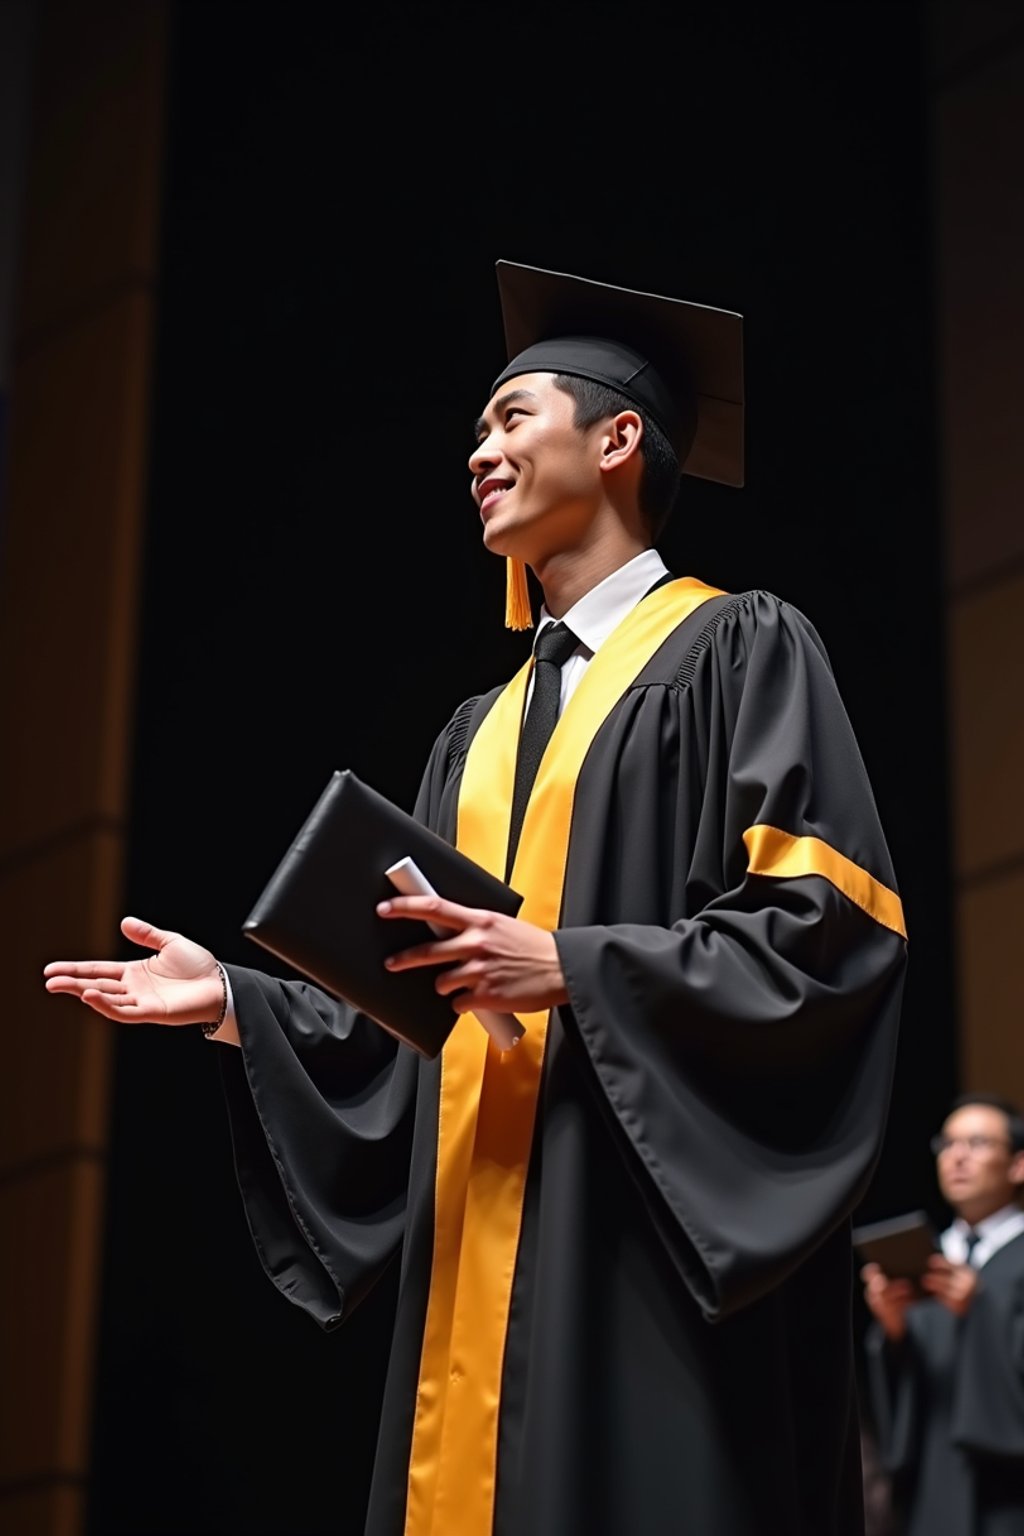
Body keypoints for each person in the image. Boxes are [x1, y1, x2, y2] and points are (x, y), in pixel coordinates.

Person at [43, 259, 909, 1536]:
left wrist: (572, 966)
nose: (478, 453)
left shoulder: (741, 649)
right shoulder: (474, 732)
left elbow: (824, 940)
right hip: (476, 1261)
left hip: (649, 1250)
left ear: (618, 440)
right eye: (475, 432)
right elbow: (434, 1027)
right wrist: (240, 1004)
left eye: (511, 420)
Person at [861, 1093, 1024, 1535]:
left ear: (1017, 1165)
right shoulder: (932, 1259)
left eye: (976, 1143)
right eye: (948, 1144)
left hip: (1009, 1489)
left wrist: (981, 1310)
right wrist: (894, 1334)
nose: (957, 1158)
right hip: (933, 1479)